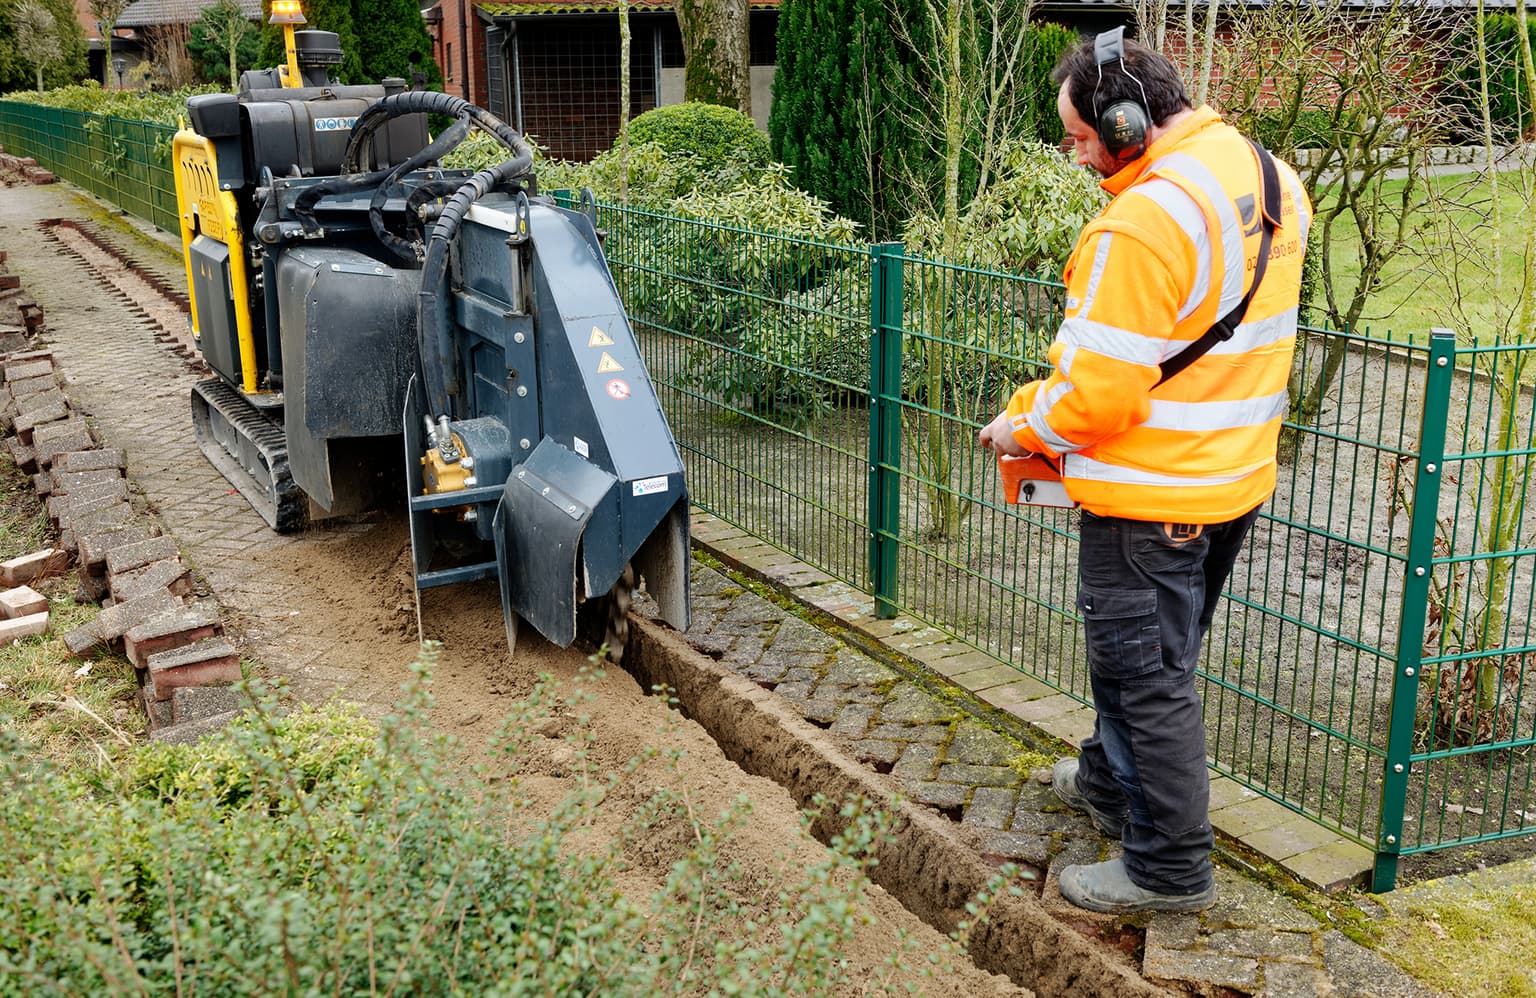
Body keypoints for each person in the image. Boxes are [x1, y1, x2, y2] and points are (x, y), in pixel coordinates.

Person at [977, 28, 1310, 913]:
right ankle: (1107, 782)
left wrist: (1018, 427)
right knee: (1150, 655)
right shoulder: (1265, 176)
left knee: (1144, 676)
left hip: (1149, 498)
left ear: (1126, 125)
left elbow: (1094, 398)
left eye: (1081, 138)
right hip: (1229, 480)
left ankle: (1168, 868)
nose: (1074, 155)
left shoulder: (1141, 224)